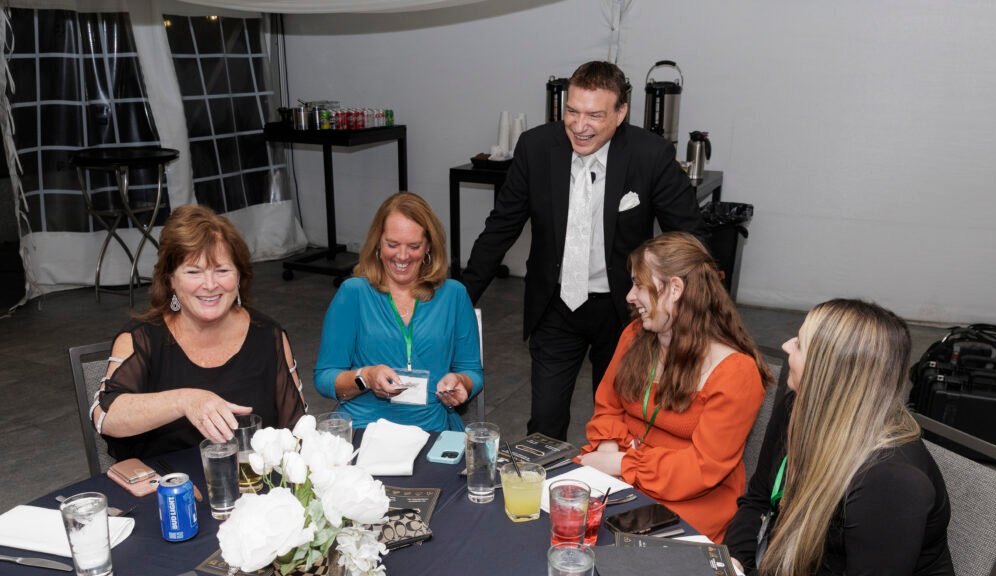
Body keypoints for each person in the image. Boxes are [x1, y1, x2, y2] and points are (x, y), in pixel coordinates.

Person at [461, 60, 704, 441]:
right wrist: (459, 301)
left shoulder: (650, 154)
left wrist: (700, 312)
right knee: (544, 426)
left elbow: (691, 237)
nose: (579, 125)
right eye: (572, 111)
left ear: (620, 114)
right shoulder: (536, 148)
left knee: (618, 426)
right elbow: (501, 227)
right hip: (555, 305)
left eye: (594, 115)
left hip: (625, 310)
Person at [724, 299, 962, 576]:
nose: (785, 346)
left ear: (829, 372)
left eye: (799, 343)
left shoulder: (891, 478)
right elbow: (757, 500)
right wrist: (734, 564)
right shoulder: (798, 408)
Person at [578, 233, 769, 542]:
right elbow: (608, 406)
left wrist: (622, 464)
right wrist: (608, 452)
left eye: (639, 285)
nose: (630, 296)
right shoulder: (635, 336)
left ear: (675, 289)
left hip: (688, 500)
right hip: (621, 473)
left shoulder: (736, 373)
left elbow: (702, 468)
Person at [95, 205, 306, 460]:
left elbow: (298, 432)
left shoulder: (268, 336)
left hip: (252, 481)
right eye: (194, 272)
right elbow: (106, 417)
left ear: (239, 276)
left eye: (222, 270)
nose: (210, 285)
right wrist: (184, 401)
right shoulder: (142, 339)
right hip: (167, 484)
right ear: (170, 280)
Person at [314, 192, 482, 432]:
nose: (402, 256)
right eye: (392, 245)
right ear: (377, 244)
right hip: (365, 429)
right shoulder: (354, 293)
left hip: (432, 429)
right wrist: (366, 377)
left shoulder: (453, 295)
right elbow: (324, 378)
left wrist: (461, 382)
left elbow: (472, 372)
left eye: (414, 246)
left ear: (428, 247)